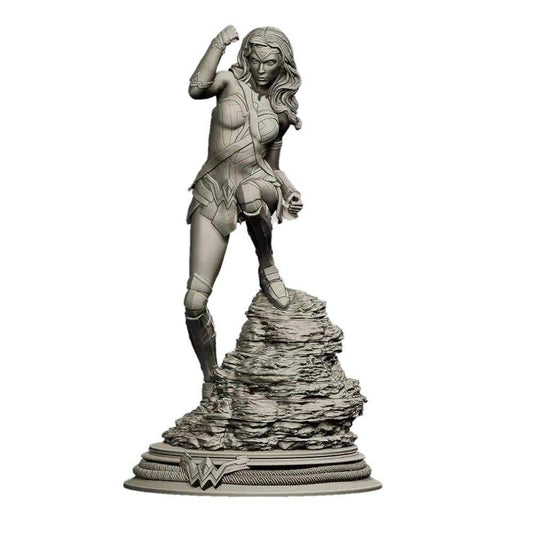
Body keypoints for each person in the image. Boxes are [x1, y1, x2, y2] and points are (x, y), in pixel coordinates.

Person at [185, 26, 304, 398]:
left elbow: (274, 166)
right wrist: (218, 44)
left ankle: (267, 265)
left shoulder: (280, 110)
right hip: (214, 187)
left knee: (249, 192)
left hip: (256, 182)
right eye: (256, 60)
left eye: (271, 63)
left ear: (282, 64)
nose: (262, 69)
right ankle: (211, 377)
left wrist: (290, 190)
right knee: (194, 302)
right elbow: (196, 88)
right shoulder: (227, 83)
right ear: (246, 57)